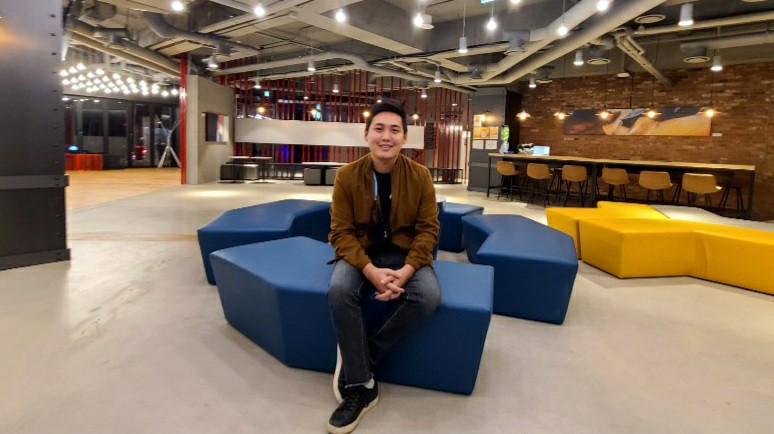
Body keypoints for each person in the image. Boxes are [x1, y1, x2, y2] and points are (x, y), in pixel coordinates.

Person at [326, 100, 441, 434]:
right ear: (366, 135)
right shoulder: (347, 176)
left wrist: (407, 270)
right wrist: (369, 271)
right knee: (338, 290)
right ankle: (361, 387)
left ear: (405, 138)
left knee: (428, 294)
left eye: (394, 130)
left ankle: (360, 359)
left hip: (404, 255)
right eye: (379, 128)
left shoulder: (420, 176)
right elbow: (340, 233)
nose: (386, 136)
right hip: (362, 253)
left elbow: (428, 231)